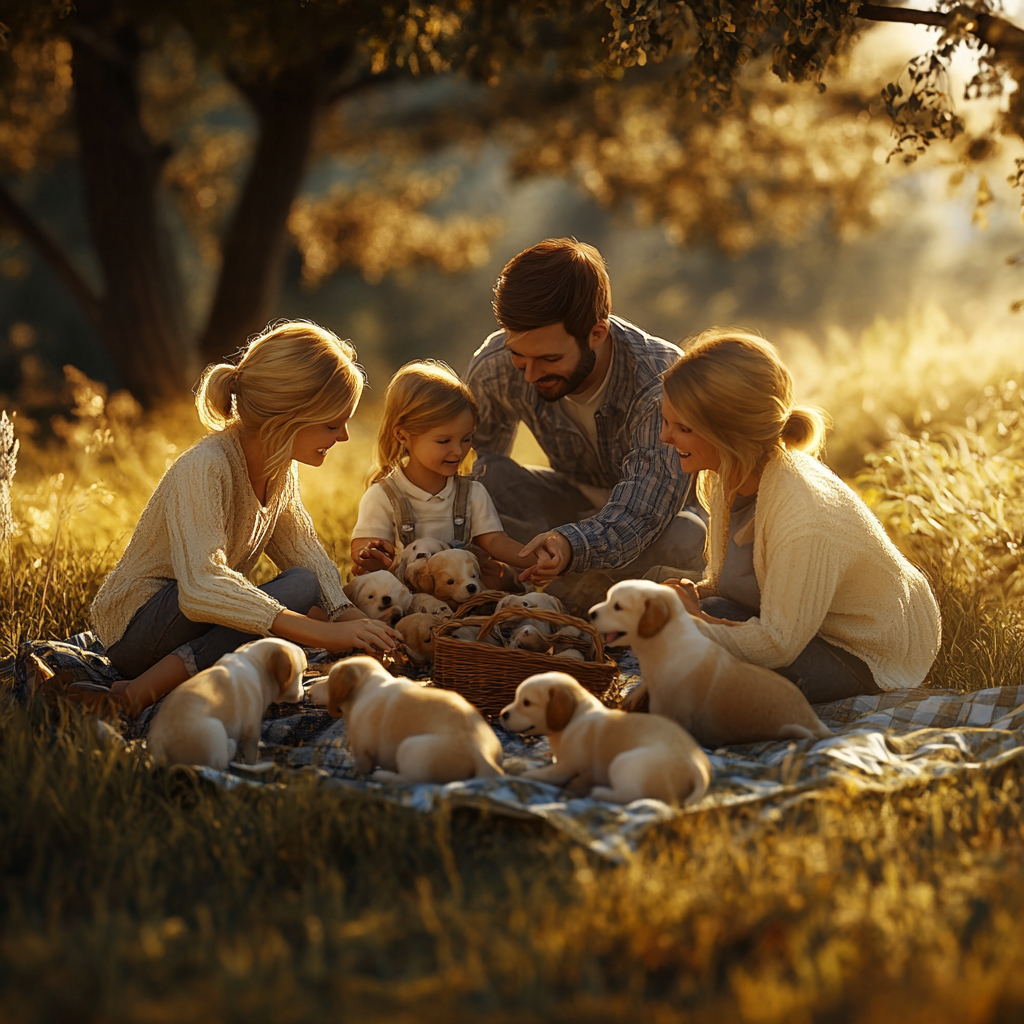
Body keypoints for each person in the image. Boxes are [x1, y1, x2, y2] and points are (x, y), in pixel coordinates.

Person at [89, 320, 401, 717]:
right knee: (288, 601)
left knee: (302, 584)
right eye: (331, 423)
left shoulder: (280, 469)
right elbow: (202, 586)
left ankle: (163, 682)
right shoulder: (206, 466)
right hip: (137, 633)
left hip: (191, 621)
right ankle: (135, 693)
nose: (343, 437)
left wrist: (355, 622)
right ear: (286, 417)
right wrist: (325, 633)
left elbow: (306, 558)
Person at [657, 328, 941, 701]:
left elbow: (778, 645)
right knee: (669, 615)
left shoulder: (802, 515)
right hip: (800, 630)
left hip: (859, 653)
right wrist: (688, 598)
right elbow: (732, 584)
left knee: (704, 673)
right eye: (666, 422)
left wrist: (694, 620)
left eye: (683, 428)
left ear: (727, 434)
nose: (665, 437)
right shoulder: (725, 478)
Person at [465, 237, 707, 612]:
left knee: (689, 536)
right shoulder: (496, 364)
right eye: (518, 354)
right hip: (563, 509)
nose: (529, 374)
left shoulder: (660, 381)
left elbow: (641, 513)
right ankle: (559, 587)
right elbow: (461, 460)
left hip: (653, 524)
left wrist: (570, 545)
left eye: (548, 358)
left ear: (596, 334)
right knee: (485, 475)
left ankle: (562, 597)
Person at [349, 360, 537, 589]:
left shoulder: (472, 493)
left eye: (466, 438)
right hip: (409, 604)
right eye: (444, 441)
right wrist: (368, 558)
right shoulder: (382, 496)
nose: (458, 450)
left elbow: (496, 542)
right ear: (402, 436)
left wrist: (538, 559)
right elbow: (364, 553)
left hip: (463, 597)